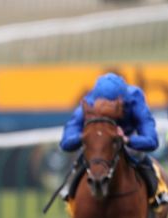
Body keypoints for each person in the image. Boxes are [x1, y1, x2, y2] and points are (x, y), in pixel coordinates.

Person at [59, 72, 167, 206]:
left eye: (112, 107)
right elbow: (65, 142)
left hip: (127, 143)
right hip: (99, 144)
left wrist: (127, 140)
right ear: (96, 101)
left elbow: (152, 140)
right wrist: (86, 137)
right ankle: (70, 191)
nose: (106, 110)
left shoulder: (135, 100)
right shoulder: (87, 104)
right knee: (87, 156)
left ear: (122, 101)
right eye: (102, 106)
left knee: (140, 157)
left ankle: (157, 193)